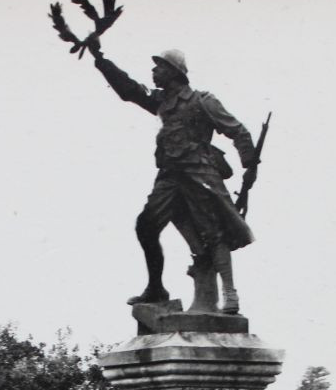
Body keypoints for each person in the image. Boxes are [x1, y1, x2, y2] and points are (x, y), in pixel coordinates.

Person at [88, 44, 257, 315]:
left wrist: (249, 163)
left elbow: (238, 131)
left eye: (159, 67)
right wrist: (100, 58)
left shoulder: (203, 101)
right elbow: (130, 90)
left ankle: (229, 293)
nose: (154, 71)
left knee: (213, 233)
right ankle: (156, 288)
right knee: (146, 225)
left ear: (174, 72)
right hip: (169, 177)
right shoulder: (162, 102)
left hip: (199, 174)